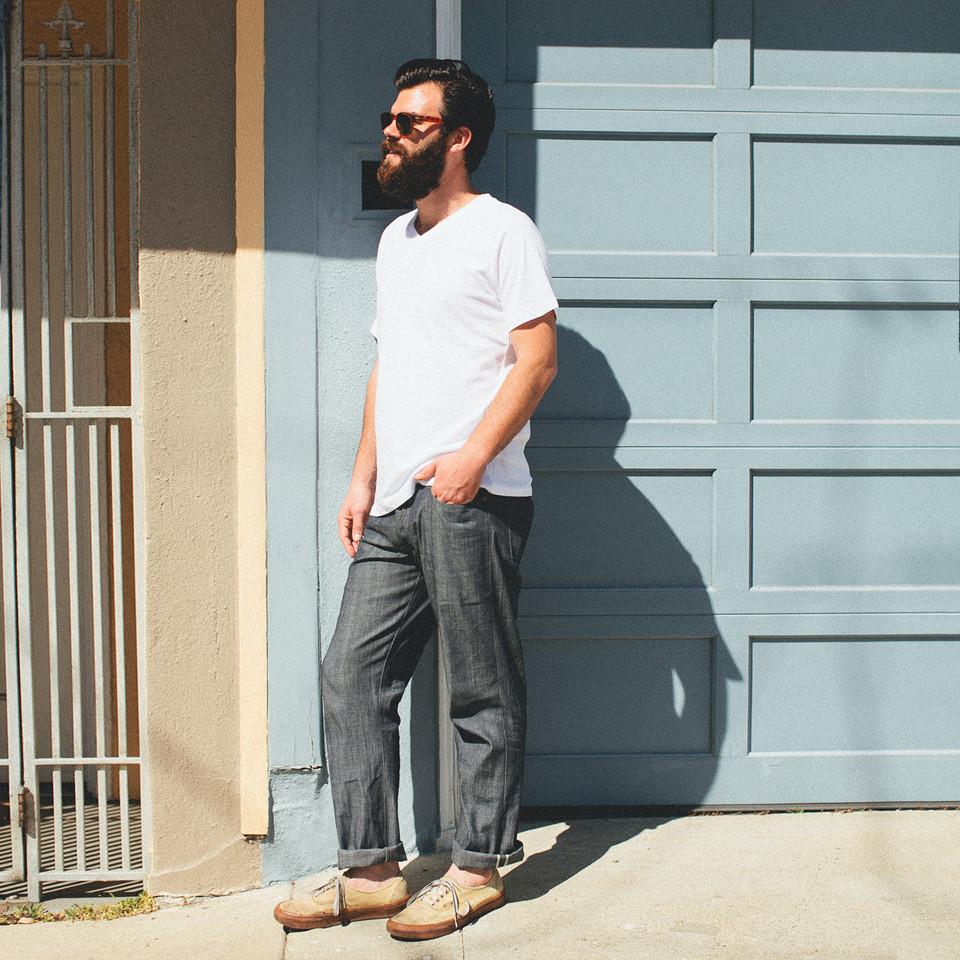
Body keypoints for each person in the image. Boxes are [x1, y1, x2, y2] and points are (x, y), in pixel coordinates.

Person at [274, 57, 558, 942]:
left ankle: (477, 867)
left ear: (458, 137)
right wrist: (362, 475)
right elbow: (388, 364)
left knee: (480, 688)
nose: (390, 134)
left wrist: (472, 458)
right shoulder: (397, 240)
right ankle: (371, 871)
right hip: (397, 500)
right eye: (390, 120)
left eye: (410, 123)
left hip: (473, 495)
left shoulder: (504, 232)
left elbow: (538, 361)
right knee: (351, 676)